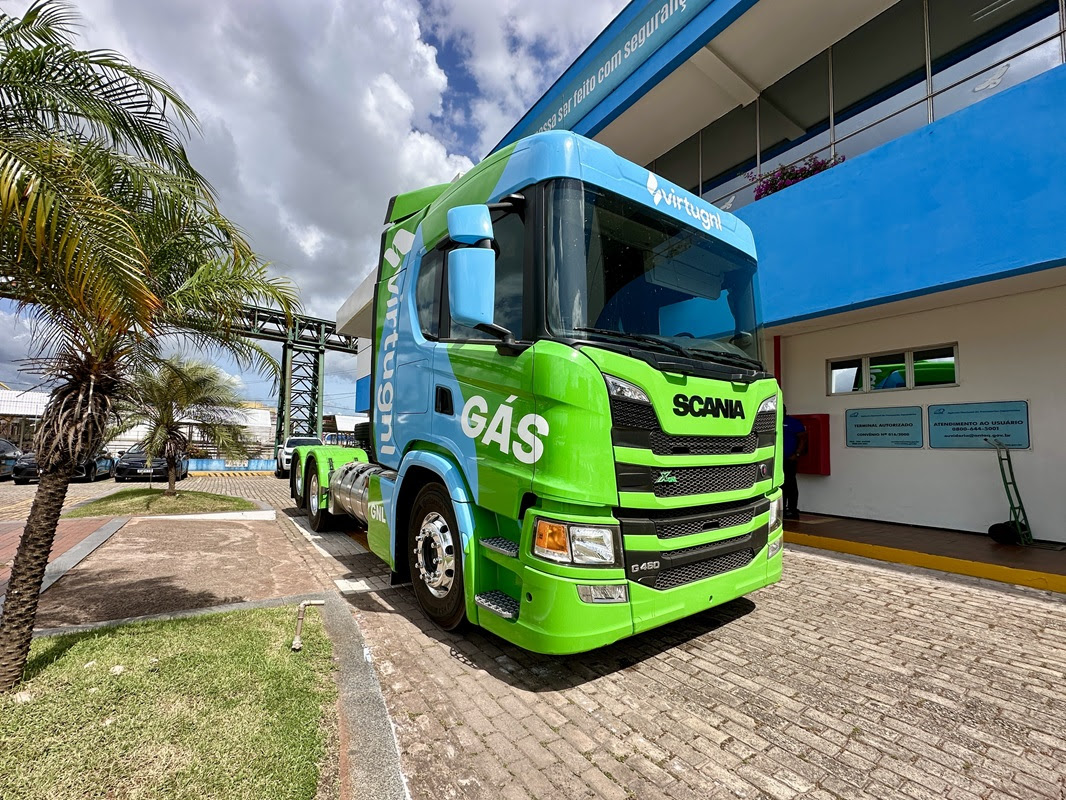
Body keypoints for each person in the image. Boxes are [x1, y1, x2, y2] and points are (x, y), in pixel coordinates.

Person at [782, 407, 808, 519]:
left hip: (789, 459)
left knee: (790, 485)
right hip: (776, 460)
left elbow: (803, 439)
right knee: (780, 486)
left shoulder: (793, 423)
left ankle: (792, 509)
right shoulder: (772, 422)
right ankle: (781, 510)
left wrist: (796, 454)